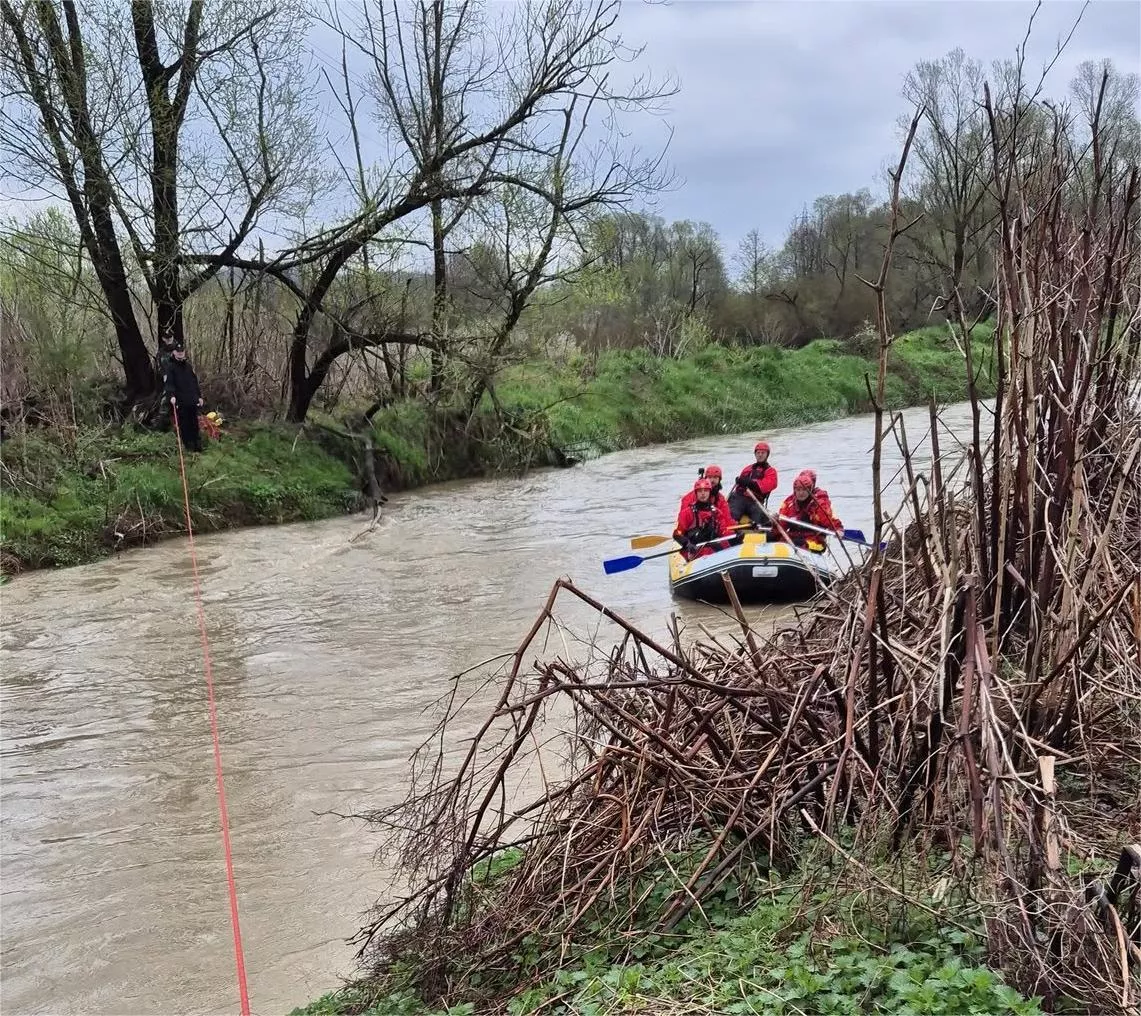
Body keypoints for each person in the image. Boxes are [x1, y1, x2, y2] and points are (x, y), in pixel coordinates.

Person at [777, 470, 843, 551]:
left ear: (810, 489)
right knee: (777, 539)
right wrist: (774, 521)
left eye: (804, 490)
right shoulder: (789, 503)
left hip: (814, 541)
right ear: (794, 490)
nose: (801, 493)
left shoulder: (819, 504)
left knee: (796, 542)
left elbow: (830, 521)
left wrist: (838, 529)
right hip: (793, 537)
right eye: (798, 490)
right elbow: (780, 524)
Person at [673, 477, 733, 560]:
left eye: (706, 491)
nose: (703, 494)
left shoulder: (716, 512)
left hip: (712, 548)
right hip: (694, 550)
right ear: (696, 493)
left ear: (709, 492)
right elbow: (677, 534)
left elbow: (723, 531)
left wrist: (735, 536)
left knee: (725, 547)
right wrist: (687, 544)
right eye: (700, 491)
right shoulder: (687, 513)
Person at [728, 441, 779, 528]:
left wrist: (750, 483)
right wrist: (740, 481)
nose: (760, 455)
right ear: (755, 454)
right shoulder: (747, 469)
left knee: (760, 522)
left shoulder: (770, 471)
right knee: (733, 513)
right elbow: (739, 487)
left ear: (767, 455)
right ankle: (731, 530)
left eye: (763, 453)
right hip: (740, 498)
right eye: (758, 453)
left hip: (755, 501)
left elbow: (768, 485)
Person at [164, 343, 204, 452]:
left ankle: (197, 444)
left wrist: (199, 397)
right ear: (174, 352)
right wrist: (171, 396)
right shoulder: (170, 367)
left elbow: (194, 383)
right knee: (184, 424)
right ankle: (189, 445)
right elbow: (169, 383)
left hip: (192, 399)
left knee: (194, 423)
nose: (180, 353)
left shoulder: (188, 366)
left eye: (182, 352)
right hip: (180, 401)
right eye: (178, 352)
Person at [679, 465, 734, 532]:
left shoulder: (720, 500)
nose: (712, 480)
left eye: (715, 477)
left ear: (719, 479)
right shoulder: (689, 498)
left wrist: (733, 530)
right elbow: (683, 519)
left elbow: (727, 519)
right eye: (710, 477)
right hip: (694, 531)